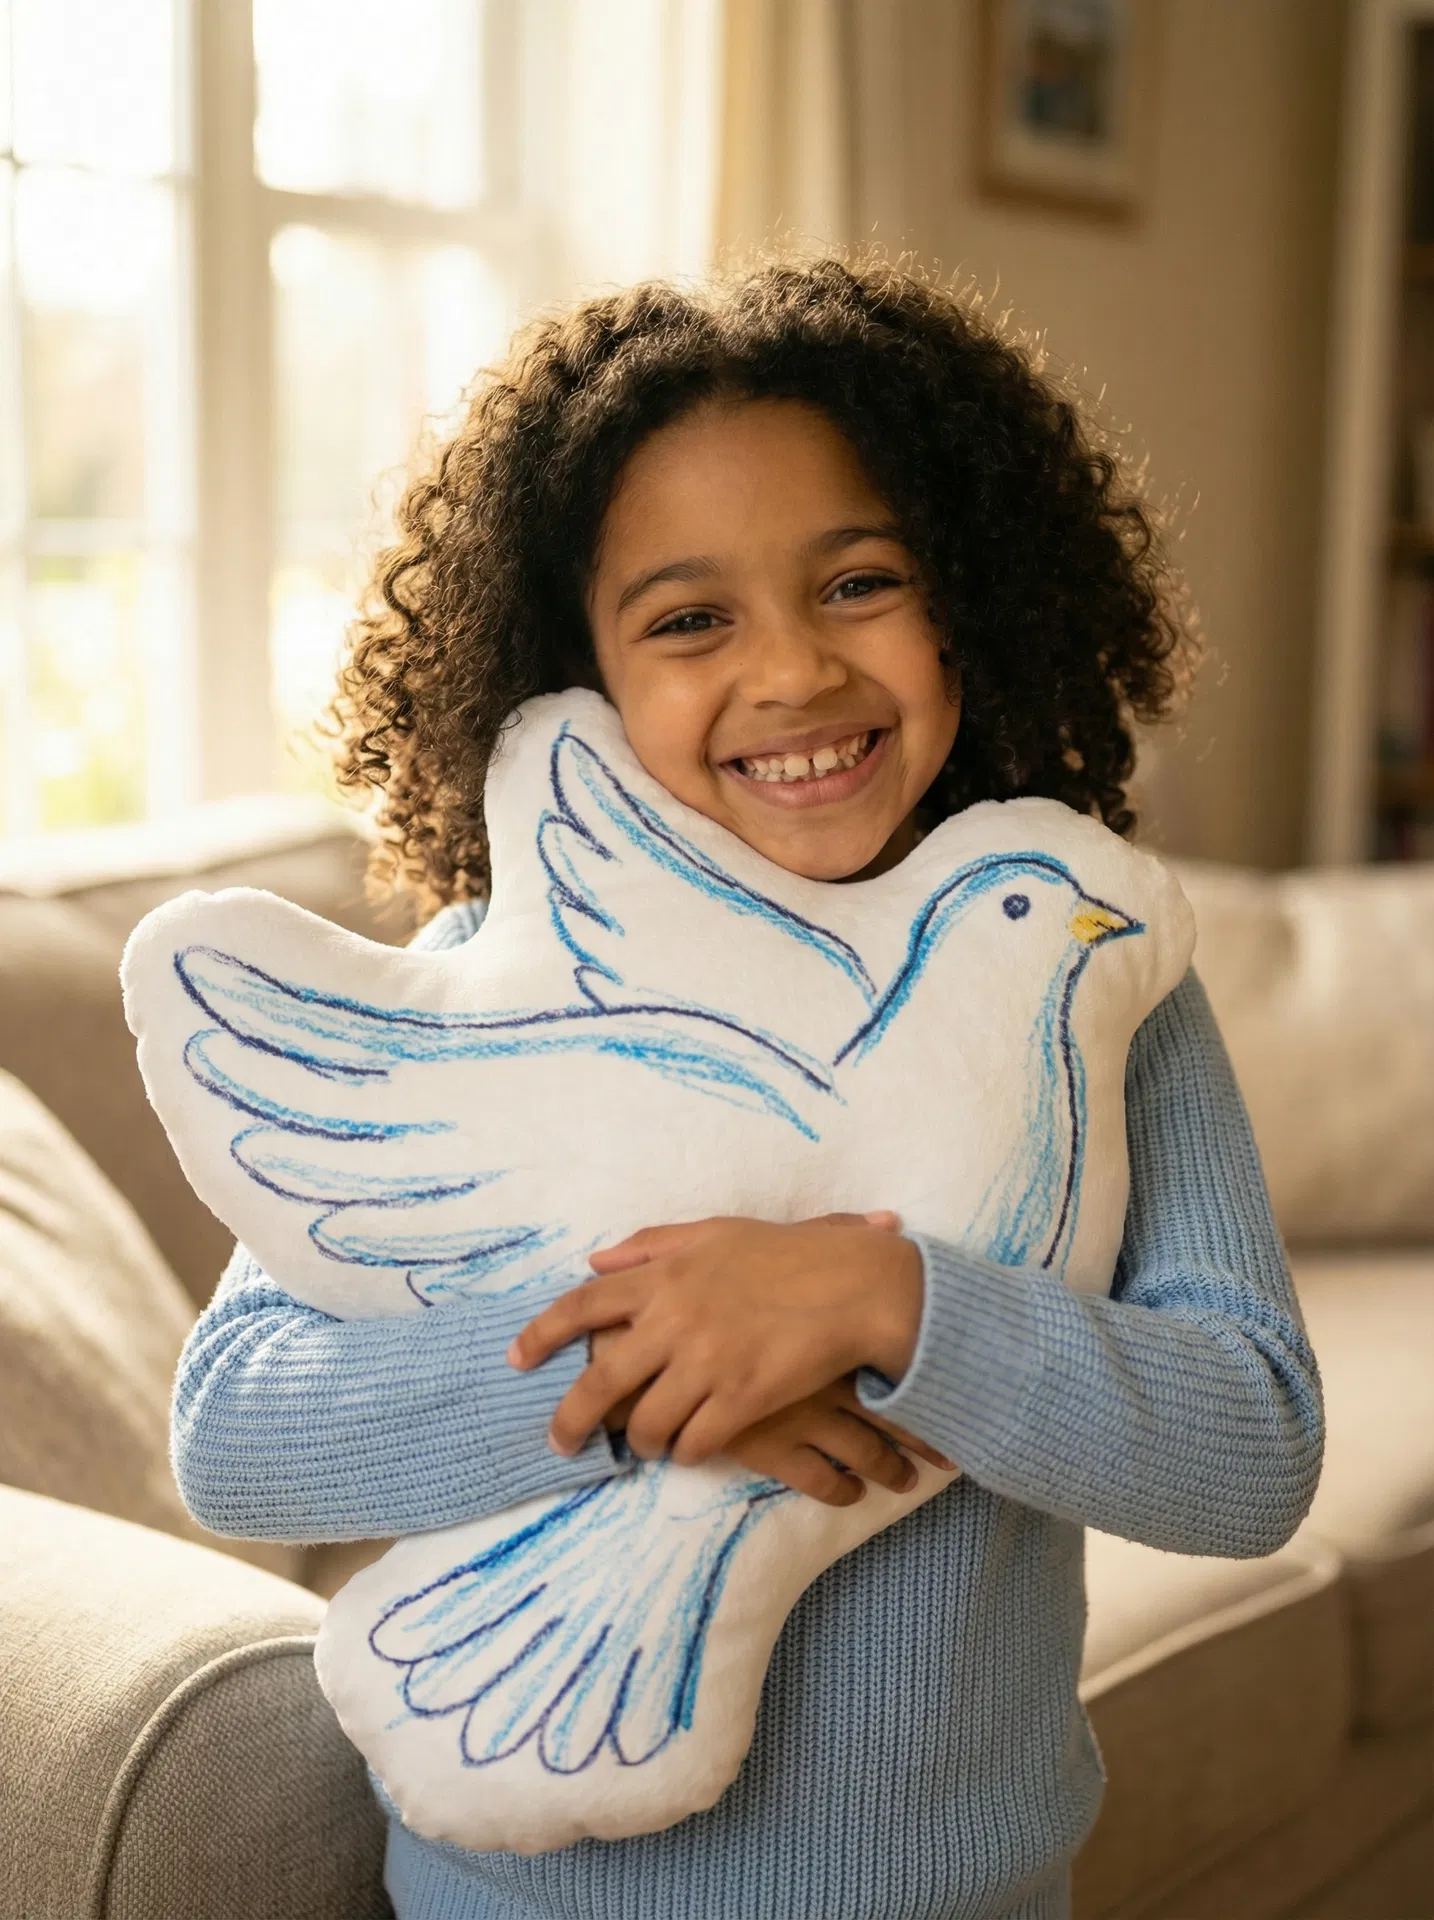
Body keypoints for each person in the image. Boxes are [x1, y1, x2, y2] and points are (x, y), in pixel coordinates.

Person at [170, 257, 1323, 1920]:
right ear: (571, 669)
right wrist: (660, 1364)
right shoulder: (504, 963)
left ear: (976, 595)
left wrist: (884, 1300)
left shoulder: (1096, 983)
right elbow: (238, 1431)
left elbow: (1250, 1439)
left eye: (860, 581)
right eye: (689, 618)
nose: (790, 674)